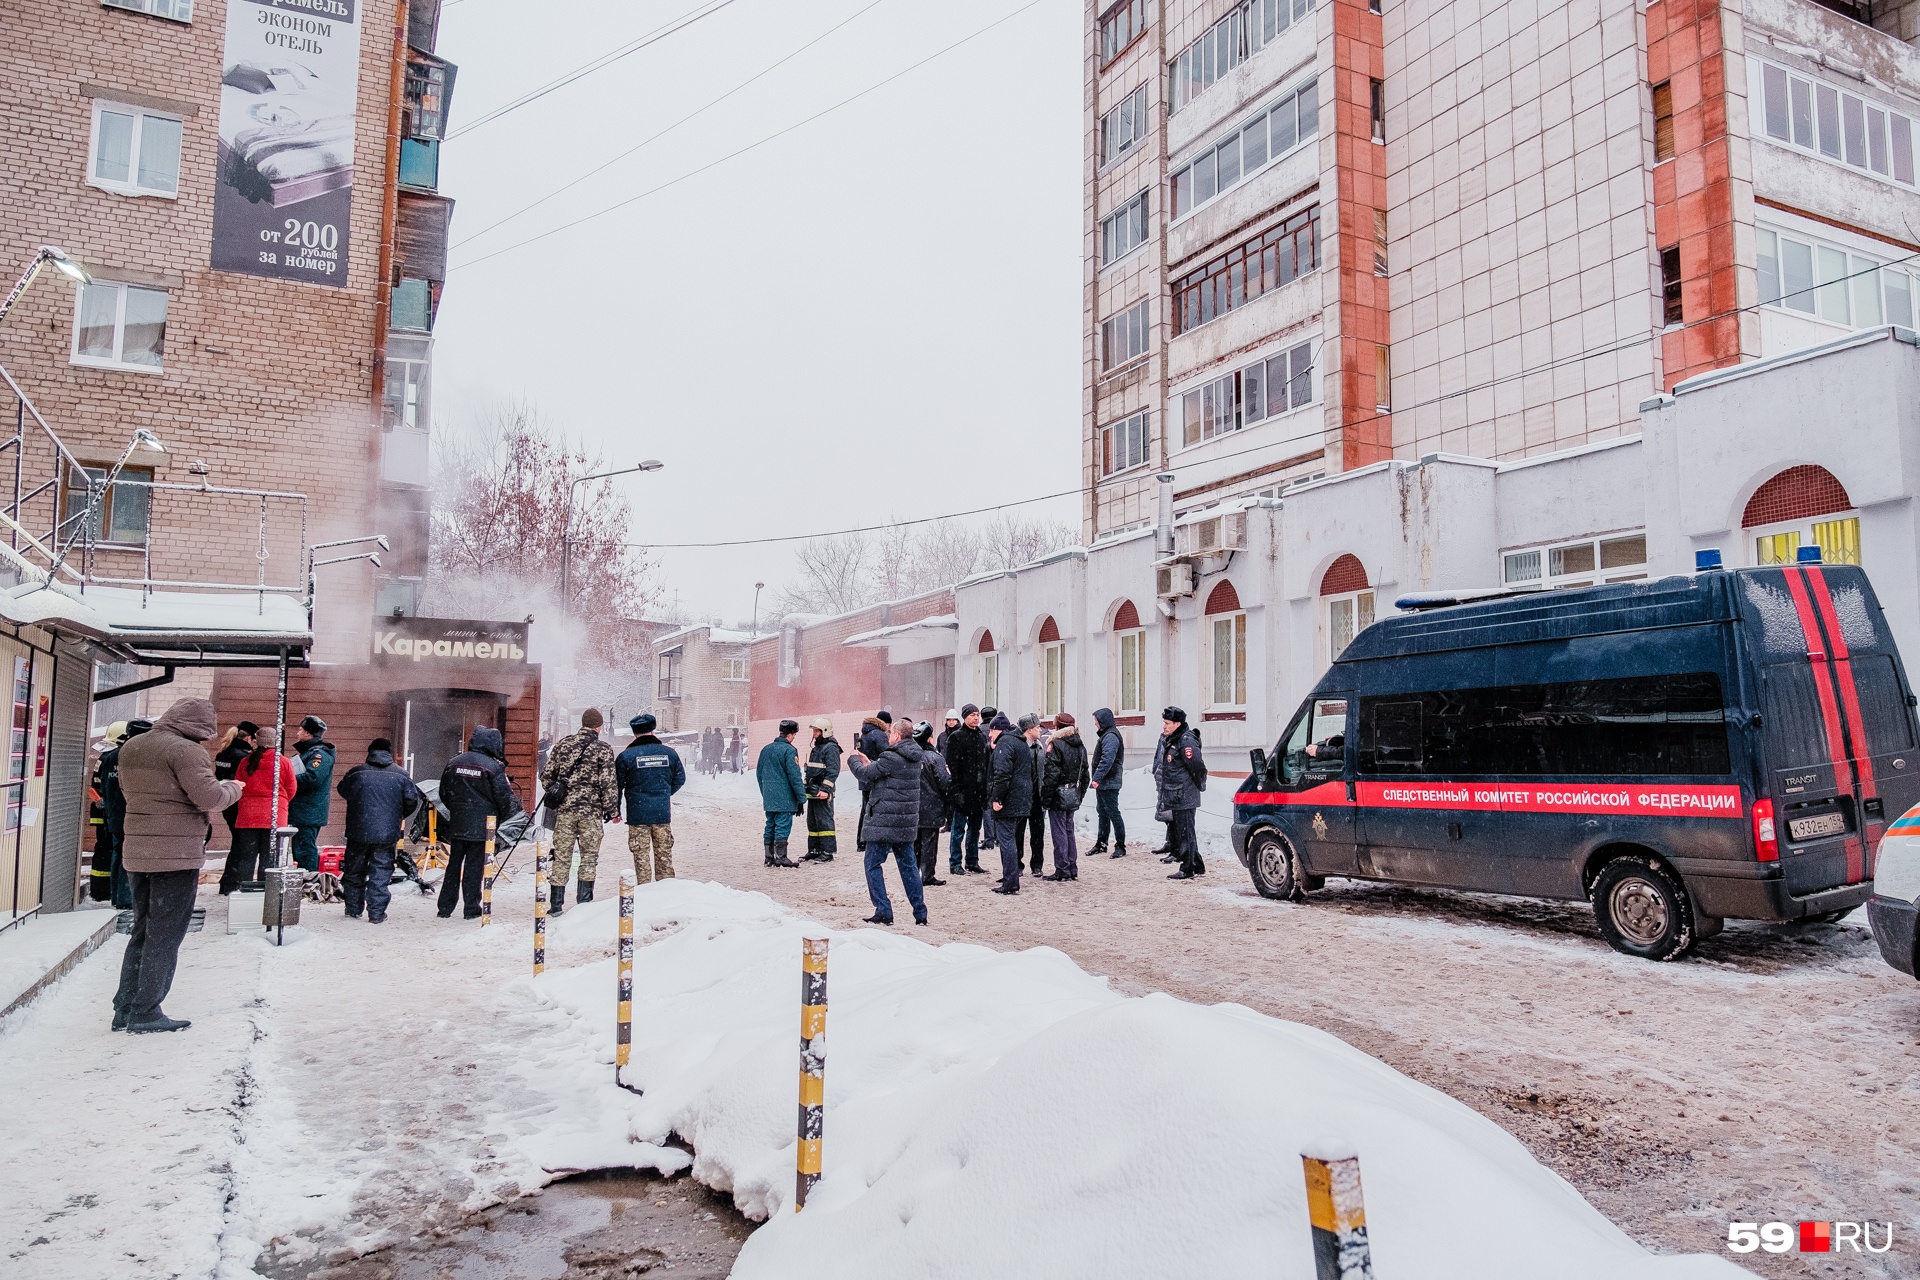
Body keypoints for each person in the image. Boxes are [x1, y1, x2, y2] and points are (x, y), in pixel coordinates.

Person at [113, 698, 245, 1033]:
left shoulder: (133, 746)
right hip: (175, 855)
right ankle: (146, 1012)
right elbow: (210, 798)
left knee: (143, 929)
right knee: (165, 934)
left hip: (139, 852)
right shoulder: (185, 751)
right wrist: (234, 788)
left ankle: (125, 1007)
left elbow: (130, 793)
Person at [847, 718, 929, 926]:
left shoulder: (891, 756)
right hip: (905, 822)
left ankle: (883, 910)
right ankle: (920, 912)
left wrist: (854, 760)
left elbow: (864, 775)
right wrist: (871, 764)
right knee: (909, 866)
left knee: (872, 864)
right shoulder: (913, 756)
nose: (888, 736)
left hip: (884, 822)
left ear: (897, 736)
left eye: (891, 732)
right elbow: (886, 775)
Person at [437, 727, 523, 919]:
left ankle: (445, 907)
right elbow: (504, 798)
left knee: (453, 865)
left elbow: (443, 792)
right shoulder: (492, 767)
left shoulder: (454, 762)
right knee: (473, 868)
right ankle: (471, 909)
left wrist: (457, 809)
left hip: (458, 822)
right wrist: (502, 817)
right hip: (483, 826)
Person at [334, 737, 423, 923]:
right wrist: (396, 816)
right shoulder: (401, 775)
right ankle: (376, 913)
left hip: (358, 830)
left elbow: (343, 790)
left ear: (370, 752)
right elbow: (411, 801)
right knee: (381, 871)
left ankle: (353, 908)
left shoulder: (356, 772)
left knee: (354, 870)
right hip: (386, 832)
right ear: (389, 753)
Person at [540, 708, 618, 913]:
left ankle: (556, 905)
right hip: (591, 813)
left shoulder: (562, 745)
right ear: (599, 726)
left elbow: (546, 776)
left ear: (582, 724)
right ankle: (583, 905)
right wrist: (612, 809)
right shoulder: (603, 749)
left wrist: (559, 793)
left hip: (565, 812)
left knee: (562, 856)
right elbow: (608, 783)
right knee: (589, 857)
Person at [221, 728, 295, 894]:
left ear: (257, 741)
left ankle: (244, 891)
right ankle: (265, 893)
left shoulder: (246, 761)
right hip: (274, 815)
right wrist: (280, 802)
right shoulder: (283, 762)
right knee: (269, 858)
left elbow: (238, 786)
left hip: (248, 816)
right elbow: (291, 788)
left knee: (247, 857)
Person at [617, 713, 685, 882]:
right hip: (661, 814)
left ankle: (644, 893)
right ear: (653, 731)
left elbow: (617, 786)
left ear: (634, 734)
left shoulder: (626, 757)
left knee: (641, 860)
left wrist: (615, 810)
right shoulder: (669, 753)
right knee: (664, 859)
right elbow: (680, 779)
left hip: (637, 814)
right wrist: (664, 793)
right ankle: (665, 894)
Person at [987, 713, 1042, 895]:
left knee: (1007, 839)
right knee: (1011, 838)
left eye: (992, 730)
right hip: (1022, 799)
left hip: (1009, 801)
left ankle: (1010, 881)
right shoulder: (1020, 742)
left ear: (999, 730)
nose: (989, 735)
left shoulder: (1005, 743)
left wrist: (997, 798)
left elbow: (1002, 775)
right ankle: (1011, 877)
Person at [98, 720, 150, 910]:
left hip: (114, 815)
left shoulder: (110, 757)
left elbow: (103, 787)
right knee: (130, 858)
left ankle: (116, 896)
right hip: (132, 815)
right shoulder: (139, 757)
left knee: (118, 854)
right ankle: (126, 898)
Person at [1156, 706, 1208, 880]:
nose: (1164, 726)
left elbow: (1197, 766)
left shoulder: (1186, 741)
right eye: (1164, 722)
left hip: (1184, 793)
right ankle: (1197, 865)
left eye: (1167, 723)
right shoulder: (1174, 739)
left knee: (1185, 832)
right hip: (1177, 792)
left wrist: (1199, 785)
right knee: (1185, 831)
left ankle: (1187, 868)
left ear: (1178, 724)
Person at [1042, 712, 1090, 882]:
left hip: (1057, 794)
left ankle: (1062, 869)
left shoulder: (1055, 745)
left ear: (1057, 726)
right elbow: (1085, 775)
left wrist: (1046, 797)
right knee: (1069, 830)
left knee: (1059, 832)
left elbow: (1051, 775)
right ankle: (1072, 867)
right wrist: (1079, 794)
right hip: (1072, 794)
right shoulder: (1080, 745)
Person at [942, 704, 988, 876]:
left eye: (977, 715)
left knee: (975, 830)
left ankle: (972, 861)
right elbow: (951, 767)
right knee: (958, 830)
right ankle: (955, 863)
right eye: (972, 715)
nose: (976, 718)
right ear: (965, 717)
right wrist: (956, 792)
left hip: (978, 792)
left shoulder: (981, 737)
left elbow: (985, 765)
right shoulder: (956, 737)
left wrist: (984, 790)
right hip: (963, 792)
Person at [288, 715, 335, 873]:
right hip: (305, 810)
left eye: (300, 730)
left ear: (308, 734)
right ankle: (305, 881)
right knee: (301, 850)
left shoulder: (319, 754)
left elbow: (313, 778)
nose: (297, 733)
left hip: (309, 811)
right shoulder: (309, 752)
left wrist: (288, 779)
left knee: (305, 851)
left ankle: (308, 883)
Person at [755, 720, 806, 868]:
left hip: (769, 796)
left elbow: (759, 774)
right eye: (794, 734)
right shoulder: (789, 751)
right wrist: (801, 798)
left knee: (770, 824)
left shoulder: (766, 749)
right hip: (785, 797)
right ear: (790, 735)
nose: (794, 737)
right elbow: (794, 776)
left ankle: (769, 856)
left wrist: (766, 793)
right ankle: (781, 857)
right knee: (783, 825)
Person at [913, 721, 952, 888]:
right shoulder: (935, 758)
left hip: (912, 806)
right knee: (929, 843)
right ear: (930, 738)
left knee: (913, 842)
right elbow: (945, 782)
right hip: (931, 806)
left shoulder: (909, 757)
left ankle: (912, 874)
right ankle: (927, 875)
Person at [1089, 707, 1128, 858]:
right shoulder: (1106, 734)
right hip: (1106, 781)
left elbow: (1107, 759)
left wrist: (1097, 778)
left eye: (1096, 721)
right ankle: (1101, 843)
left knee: (1113, 813)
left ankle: (1120, 846)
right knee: (1103, 812)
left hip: (1109, 781)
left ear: (1103, 721)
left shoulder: (1110, 736)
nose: (1095, 724)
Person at [212, 720, 257, 849]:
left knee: (237, 841)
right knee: (242, 844)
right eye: (253, 741)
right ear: (248, 738)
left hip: (226, 800)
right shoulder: (245, 757)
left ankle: (231, 869)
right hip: (239, 801)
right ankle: (234, 869)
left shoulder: (222, 753)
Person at [802, 716, 841, 862]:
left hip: (822, 791)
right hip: (813, 791)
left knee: (825, 822)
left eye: (816, 731)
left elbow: (833, 771)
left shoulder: (830, 748)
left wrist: (825, 789)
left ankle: (827, 851)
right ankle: (814, 850)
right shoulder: (818, 747)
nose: (814, 734)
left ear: (825, 731)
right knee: (812, 822)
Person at [978, 705, 1002, 860]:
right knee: (998, 804)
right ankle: (999, 837)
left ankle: (989, 839)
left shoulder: (980, 731)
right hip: (998, 772)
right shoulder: (999, 730)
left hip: (984, 773)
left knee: (987, 807)